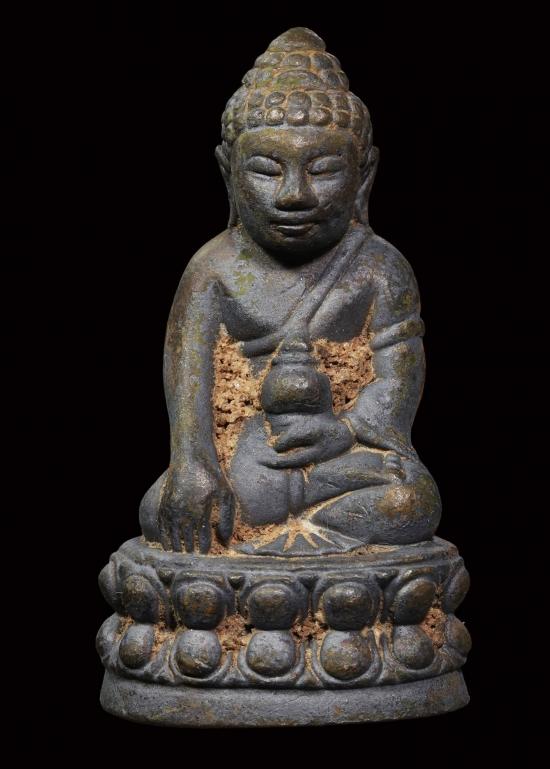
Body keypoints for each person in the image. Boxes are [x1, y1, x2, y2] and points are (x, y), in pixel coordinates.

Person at [139, 27, 441, 555]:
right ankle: (291, 537)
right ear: (228, 174)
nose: (294, 195)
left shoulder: (380, 267)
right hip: (246, 465)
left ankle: (296, 536)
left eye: (323, 170)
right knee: (163, 508)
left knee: (409, 503)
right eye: (266, 170)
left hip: (336, 457)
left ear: (364, 175)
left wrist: (347, 430)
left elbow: (399, 375)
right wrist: (193, 465)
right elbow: (189, 380)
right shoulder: (213, 268)